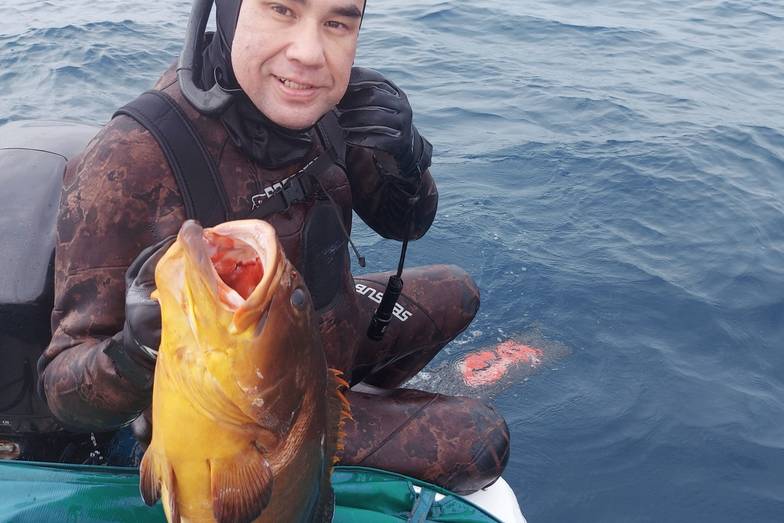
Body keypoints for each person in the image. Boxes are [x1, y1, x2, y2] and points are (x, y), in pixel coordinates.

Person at [37, 0, 509, 493]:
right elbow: (62, 390)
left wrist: (406, 157)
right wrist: (137, 351)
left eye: (336, 23)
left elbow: (406, 225)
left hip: (322, 338)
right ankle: (339, 446)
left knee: (459, 290)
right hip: (249, 417)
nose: (309, 54)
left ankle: (361, 403)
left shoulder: (330, 106)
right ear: (227, 13)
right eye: (281, 10)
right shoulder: (132, 158)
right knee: (482, 441)